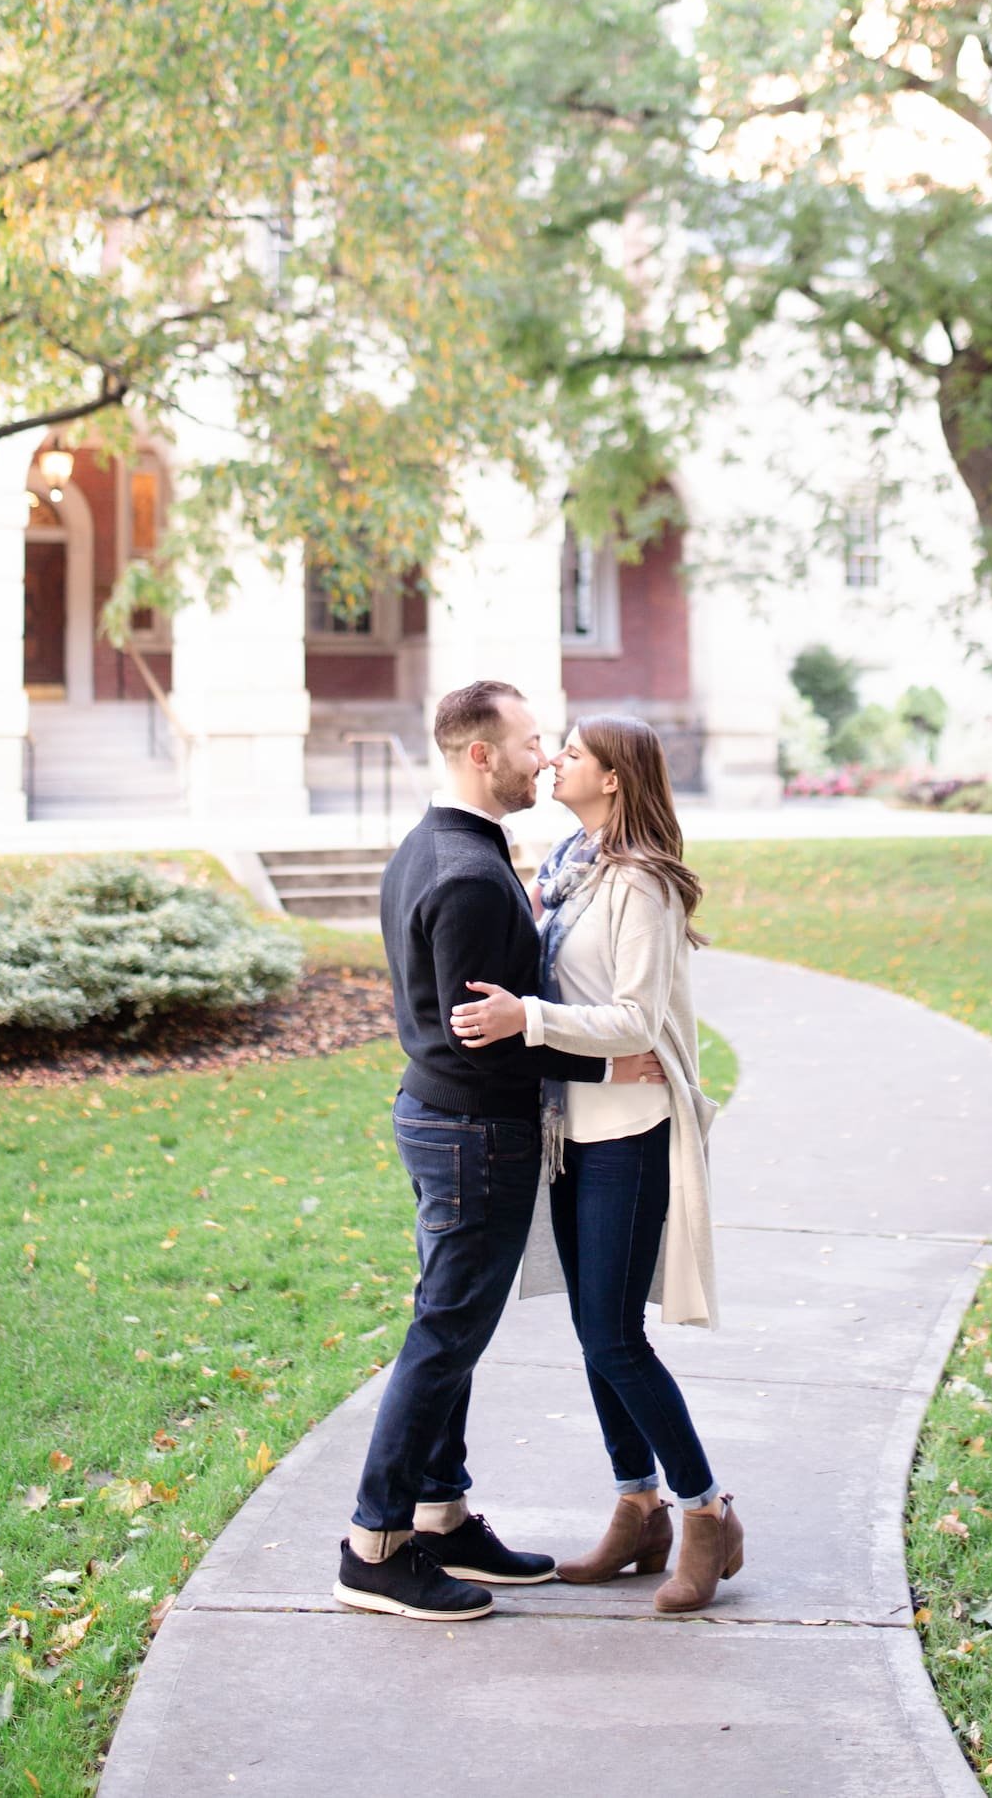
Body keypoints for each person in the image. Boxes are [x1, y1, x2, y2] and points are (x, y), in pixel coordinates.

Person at [335, 679, 668, 1623]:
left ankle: (440, 1516)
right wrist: (608, 1073)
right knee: (444, 1333)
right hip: (472, 1130)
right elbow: (480, 1033)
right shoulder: (471, 874)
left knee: (452, 1328)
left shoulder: (438, 848)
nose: (543, 756)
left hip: (445, 1121)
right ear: (480, 754)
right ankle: (375, 1544)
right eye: (529, 742)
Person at [451, 712, 742, 1617]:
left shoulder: (641, 885)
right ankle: (636, 1506)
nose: (555, 762)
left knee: (615, 1336)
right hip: (567, 1126)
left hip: (628, 1128)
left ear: (612, 777)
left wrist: (525, 1020)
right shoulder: (573, 867)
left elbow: (632, 1020)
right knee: (592, 1333)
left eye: (571, 753)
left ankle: (706, 1513)